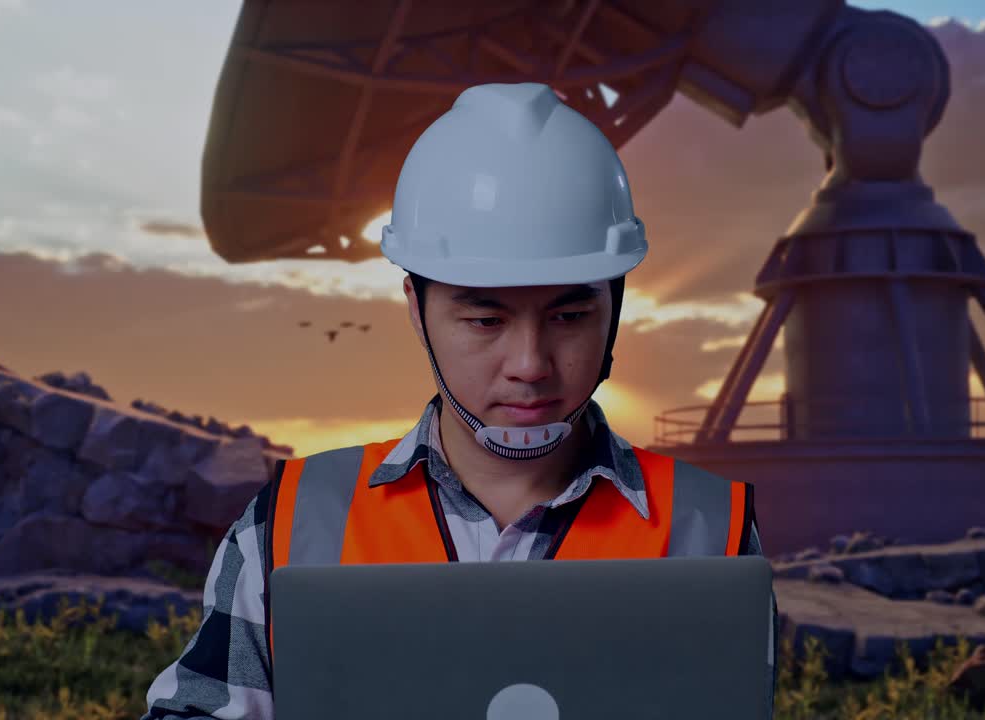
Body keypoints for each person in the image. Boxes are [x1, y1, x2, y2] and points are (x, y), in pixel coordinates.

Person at [141, 82, 779, 719]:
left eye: (570, 315)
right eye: (485, 320)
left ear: (615, 310)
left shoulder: (710, 529)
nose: (529, 366)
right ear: (417, 312)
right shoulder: (289, 523)